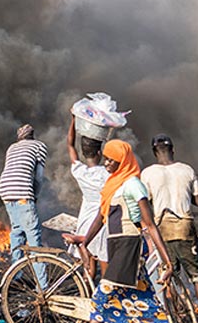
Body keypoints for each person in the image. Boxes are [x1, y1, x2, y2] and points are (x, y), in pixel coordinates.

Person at [65, 140, 175, 323]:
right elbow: (101, 217)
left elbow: (150, 225)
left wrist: (167, 262)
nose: (106, 163)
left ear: (122, 161)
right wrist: (84, 242)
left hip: (130, 246)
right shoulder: (112, 185)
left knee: (100, 301)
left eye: (111, 160)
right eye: (106, 159)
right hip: (116, 245)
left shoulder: (133, 185)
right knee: (139, 298)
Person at [141, 134, 198, 322]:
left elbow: (145, 201)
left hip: (162, 229)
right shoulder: (186, 170)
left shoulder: (148, 173)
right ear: (173, 150)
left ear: (154, 152)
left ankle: (179, 315)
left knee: (169, 273)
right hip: (185, 227)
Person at [0, 123, 48, 289]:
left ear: (19, 137)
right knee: (34, 239)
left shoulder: (11, 148)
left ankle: (15, 277)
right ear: (32, 136)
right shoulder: (40, 146)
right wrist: (35, 196)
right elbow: (39, 176)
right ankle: (42, 287)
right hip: (21, 191)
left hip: (4, 189)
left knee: (17, 231)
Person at [65, 115, 109, 281]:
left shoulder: (79, 171)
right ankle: (106, 300)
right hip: (101, 224)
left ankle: (88, 296)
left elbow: (70, 144)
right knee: (105, 265)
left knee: (89, 265)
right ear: (100, 153)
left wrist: (73, 120)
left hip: (84, 222)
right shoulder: (107, 174)